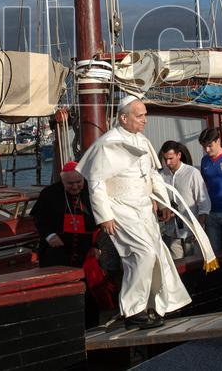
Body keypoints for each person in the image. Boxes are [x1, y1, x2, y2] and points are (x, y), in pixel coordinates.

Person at [76, 95, 196, 330]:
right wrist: (104, 216)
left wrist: (163, 203)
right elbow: (96, 183)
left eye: (145, 115)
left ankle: (153, 305)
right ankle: (133, 310)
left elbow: (152, 174)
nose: (145, 120)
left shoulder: (141, 140)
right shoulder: (107, 144)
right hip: (120, 209)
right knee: (141, 254)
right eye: (140, 116)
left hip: (143, 208)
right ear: (124, 118)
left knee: (155, 254)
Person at [31, 161, 96, 268]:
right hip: (57, 249)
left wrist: (97, 245)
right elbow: (38, 218)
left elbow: (103, 221)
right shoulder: (49, 193)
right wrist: (49, 235)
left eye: (78, 182)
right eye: (70, 183)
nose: (75, 187)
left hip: (87, 250)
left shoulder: (93, 192)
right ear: (62, 181)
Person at [158, 140, 211, 259]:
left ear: (179, 155)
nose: (167, 162)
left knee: (194, 265)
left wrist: (200, 228)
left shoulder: (192, 173)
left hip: (191, 231)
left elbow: (204, 203)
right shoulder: (161, 176)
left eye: (171, 158)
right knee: (177, 268)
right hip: (171, 231)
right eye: (165, 159)